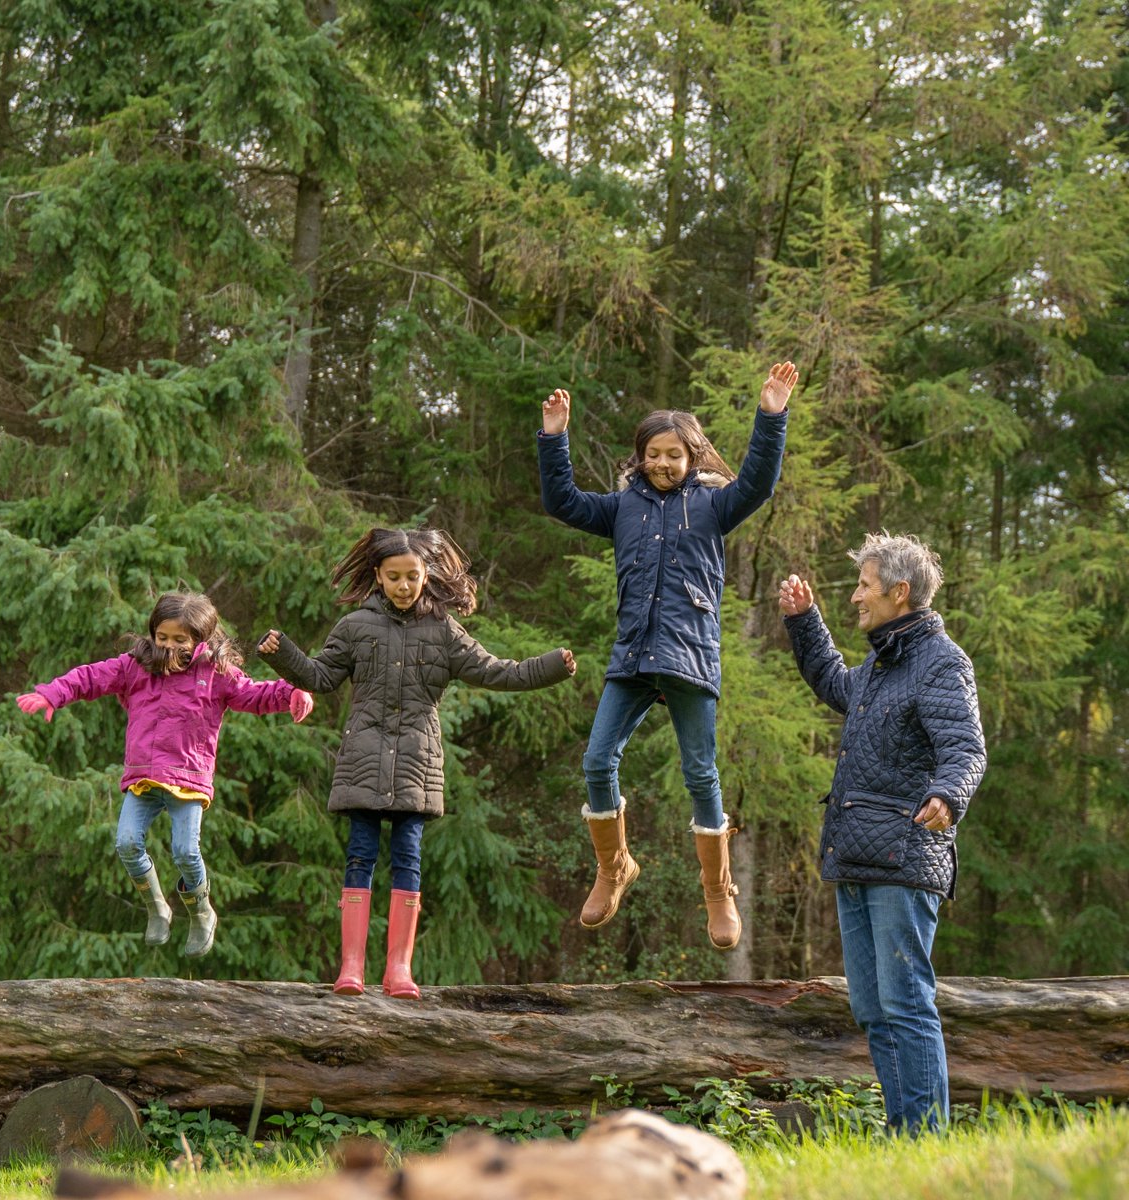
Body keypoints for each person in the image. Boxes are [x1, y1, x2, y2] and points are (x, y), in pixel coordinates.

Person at [537, 363, 797, 949]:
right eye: (653, 454)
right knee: (597, 762)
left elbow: (758, 482)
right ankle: (614, 867)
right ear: (640, 457)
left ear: (692, 458)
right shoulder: (621, 508)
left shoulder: (713, 505)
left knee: (700, 774)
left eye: (673, 455)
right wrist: (554, 438)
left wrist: (771, 415)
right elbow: (563, 502)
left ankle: (718, 890)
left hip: (690, 657)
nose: (662, 463)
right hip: (633, 656)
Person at [258, 527, 576, 1000]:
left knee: (408, 857)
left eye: (412, 576)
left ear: (427, 574)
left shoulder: (444, 631)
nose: (404, 585)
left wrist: (551, 666)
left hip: (416, 764)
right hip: (363, 760)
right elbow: (320, 677)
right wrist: (283, 654)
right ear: (378, 576)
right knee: (360, 855)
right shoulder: (354, 626)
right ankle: (351, 968)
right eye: (394, 577)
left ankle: (399, 970)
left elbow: (497, 672)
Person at [778, 533, 986, 1134]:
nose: (854, 596)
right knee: (872, 1009)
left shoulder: (942, 661)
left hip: (906, 856)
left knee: (905, 1003)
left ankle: (926, 1139)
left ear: (900, 592)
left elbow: (965, 747)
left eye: (864, 585)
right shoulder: (879, 665)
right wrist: (805, 621)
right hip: (856, 855)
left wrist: (948, 795)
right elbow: (834, 684)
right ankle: (904, 1136)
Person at [16, 592, 314, 958]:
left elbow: (254, 694)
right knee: (127, 843)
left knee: (186, 852)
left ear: (200, 639)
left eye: (179, 639)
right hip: (144, 778)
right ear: (153, 632)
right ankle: (157, 907)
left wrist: (291, 693)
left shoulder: (215, 674)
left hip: (188, 779)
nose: (169, 646)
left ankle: (201, 912)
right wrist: (54, 694)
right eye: (162, 637)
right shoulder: (135, 666)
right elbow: (91, 677)